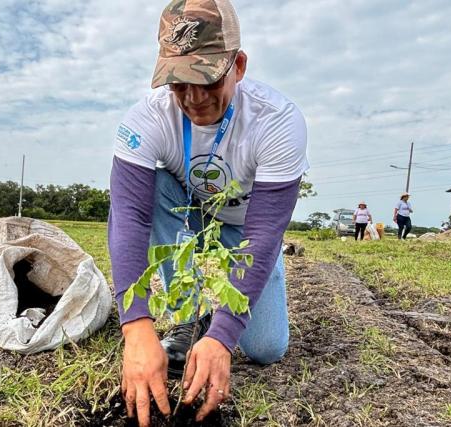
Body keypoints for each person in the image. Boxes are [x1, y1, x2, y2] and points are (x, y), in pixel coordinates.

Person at [107, 0, 308, 425]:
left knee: (266, 348)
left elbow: (266, 229)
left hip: (247, 232)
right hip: (189, 215)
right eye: (179, 83)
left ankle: (251, 287)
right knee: (156, 184)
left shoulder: (278, 122)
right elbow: (129, 217)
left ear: (238, 65)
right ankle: (184, 318)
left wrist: (223, 336)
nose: (194, 99)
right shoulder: (147, 119)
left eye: (208, 80)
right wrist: (136, 327)